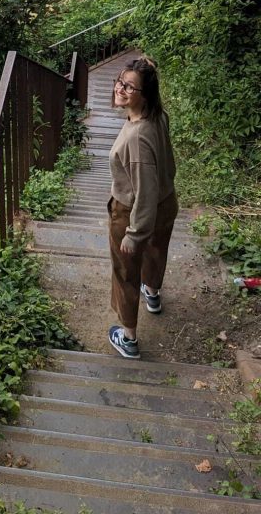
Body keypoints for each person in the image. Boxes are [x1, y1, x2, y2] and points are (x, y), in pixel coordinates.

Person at [107, 56, 178, 359]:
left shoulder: (136, 137)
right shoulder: (157, 115)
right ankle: (153, 293)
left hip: (133, 211)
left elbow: (143, 193)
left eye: (130, 87)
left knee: (125, 272)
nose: (120, 89)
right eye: (120, 82)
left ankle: (129, 337)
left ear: (144, 94)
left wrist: (134, 234)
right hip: (166, 201)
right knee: (156, 250)